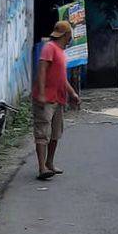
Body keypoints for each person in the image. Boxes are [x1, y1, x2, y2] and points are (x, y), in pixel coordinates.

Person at [32, 21, 80, 180]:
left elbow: (62, 78)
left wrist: (72, 93)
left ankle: (50, 163)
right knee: (42, 133)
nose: (70, 39)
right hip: (46, 99)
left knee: (55, 133)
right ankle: (41, 168)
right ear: (66, 35)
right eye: (69, 36)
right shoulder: (49, 48)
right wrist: (41, 93)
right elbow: (42, 70)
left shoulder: (60, 51)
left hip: (58, 98)